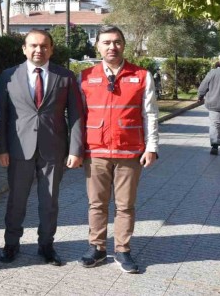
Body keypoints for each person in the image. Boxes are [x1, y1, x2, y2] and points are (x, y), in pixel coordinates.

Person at [0, 29, 84, 266]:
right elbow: (1, 114)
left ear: (51, 49)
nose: (38, 50)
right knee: (16, 201)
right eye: (33, 45)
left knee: (49, 202)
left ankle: (46, 246)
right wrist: (1, 149)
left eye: (44, 46)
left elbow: (76, 114)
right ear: (24, 49)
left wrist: (75, 149)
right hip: (18, 150)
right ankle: (11, 244)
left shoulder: (65, 77)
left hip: (53, 150)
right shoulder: (9, 75)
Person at [78, 25, 159, 274]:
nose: (112, 47)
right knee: (96, 204)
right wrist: (76, 149)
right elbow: (78, 117)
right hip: (96, 152)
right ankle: (97, 248)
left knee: (125, 205)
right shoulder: (85, 76)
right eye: (106, 42)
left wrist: (152, 147)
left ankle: (122, 250)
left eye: (117, 42)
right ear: (97, 46)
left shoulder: (142, 75)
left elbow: (150, 114)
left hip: (129, 152)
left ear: (124, 45)